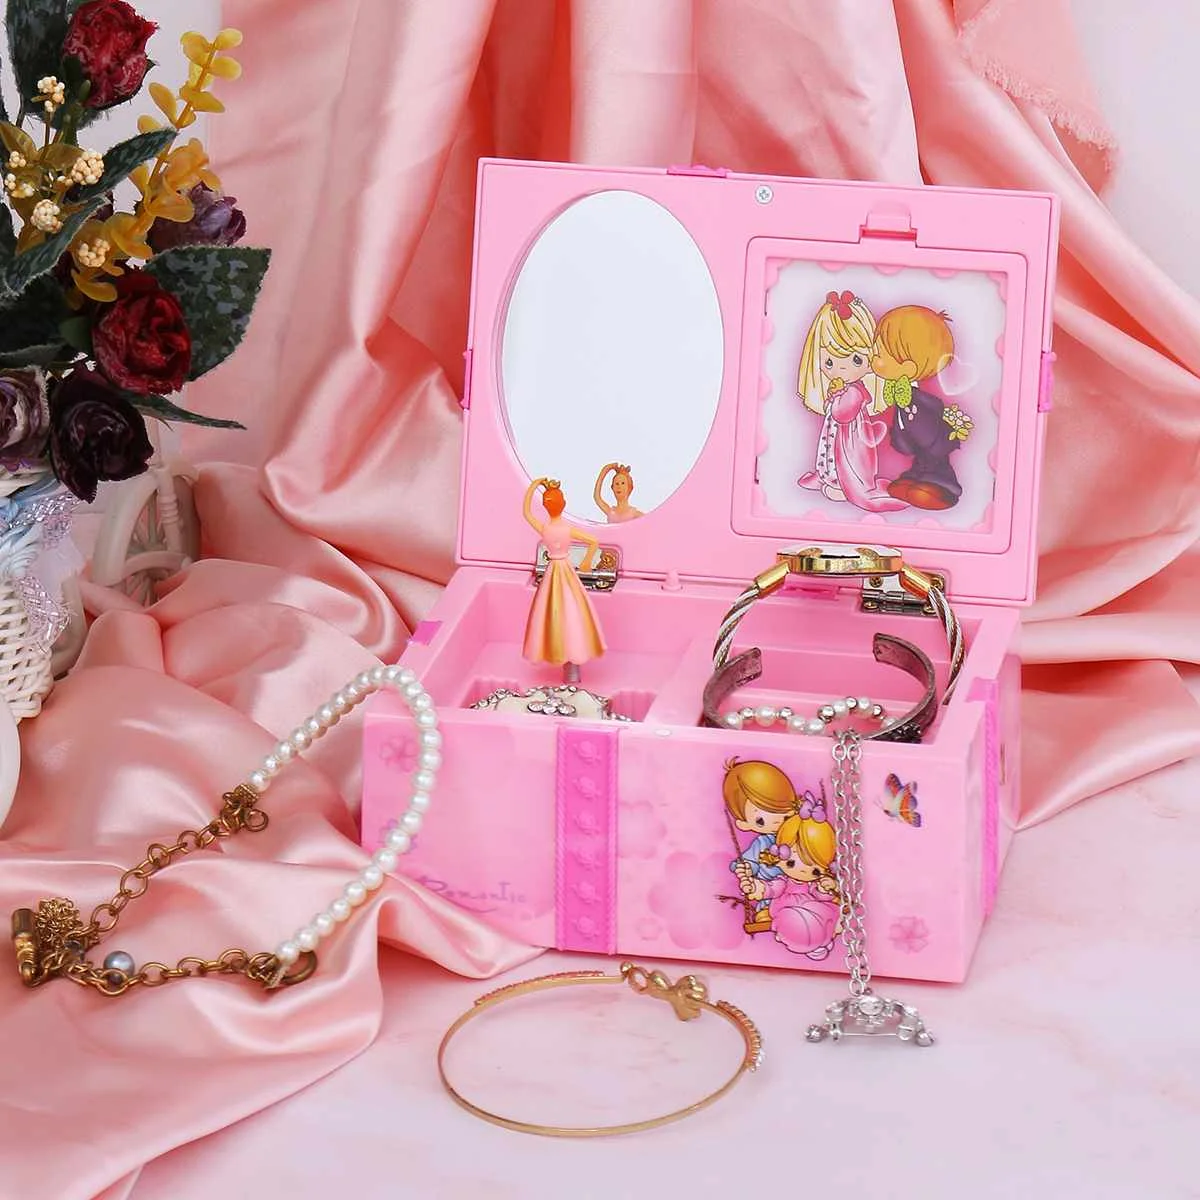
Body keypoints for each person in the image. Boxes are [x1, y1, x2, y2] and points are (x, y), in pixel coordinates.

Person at [795, 290, 906, 512]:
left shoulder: (855, 391)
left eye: (856, 359)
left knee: (847, 460)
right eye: (829, 361)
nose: (842, 368)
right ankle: (826, 475)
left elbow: (842, 414)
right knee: (828, 452)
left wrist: (837, 397)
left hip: (850, 439)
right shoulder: (844, 388)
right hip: (836, 434)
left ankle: (845, 484)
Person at [870, 305, 963, 510]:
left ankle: (944, 489)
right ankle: (916, 480)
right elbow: (903, 426)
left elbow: (931, 429)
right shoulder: (901, 395)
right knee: (916, 471)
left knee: (935, 467)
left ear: (908, 367)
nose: (873, 359)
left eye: (880, 354)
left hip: (935, 450)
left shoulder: (921, 401)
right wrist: (902, 440)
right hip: (920, 453)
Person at [521, 477, 605, 684]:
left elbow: (527, 512)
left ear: (545, 506)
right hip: (564, 570)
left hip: (554, 571)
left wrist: (534, 486)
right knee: (571, 611)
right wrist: (586, 562)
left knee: (554, 612)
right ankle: (571, 661)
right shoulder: (565, 529)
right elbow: (593, 541)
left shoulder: (546, 529)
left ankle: (567, 658)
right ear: (564, 503)